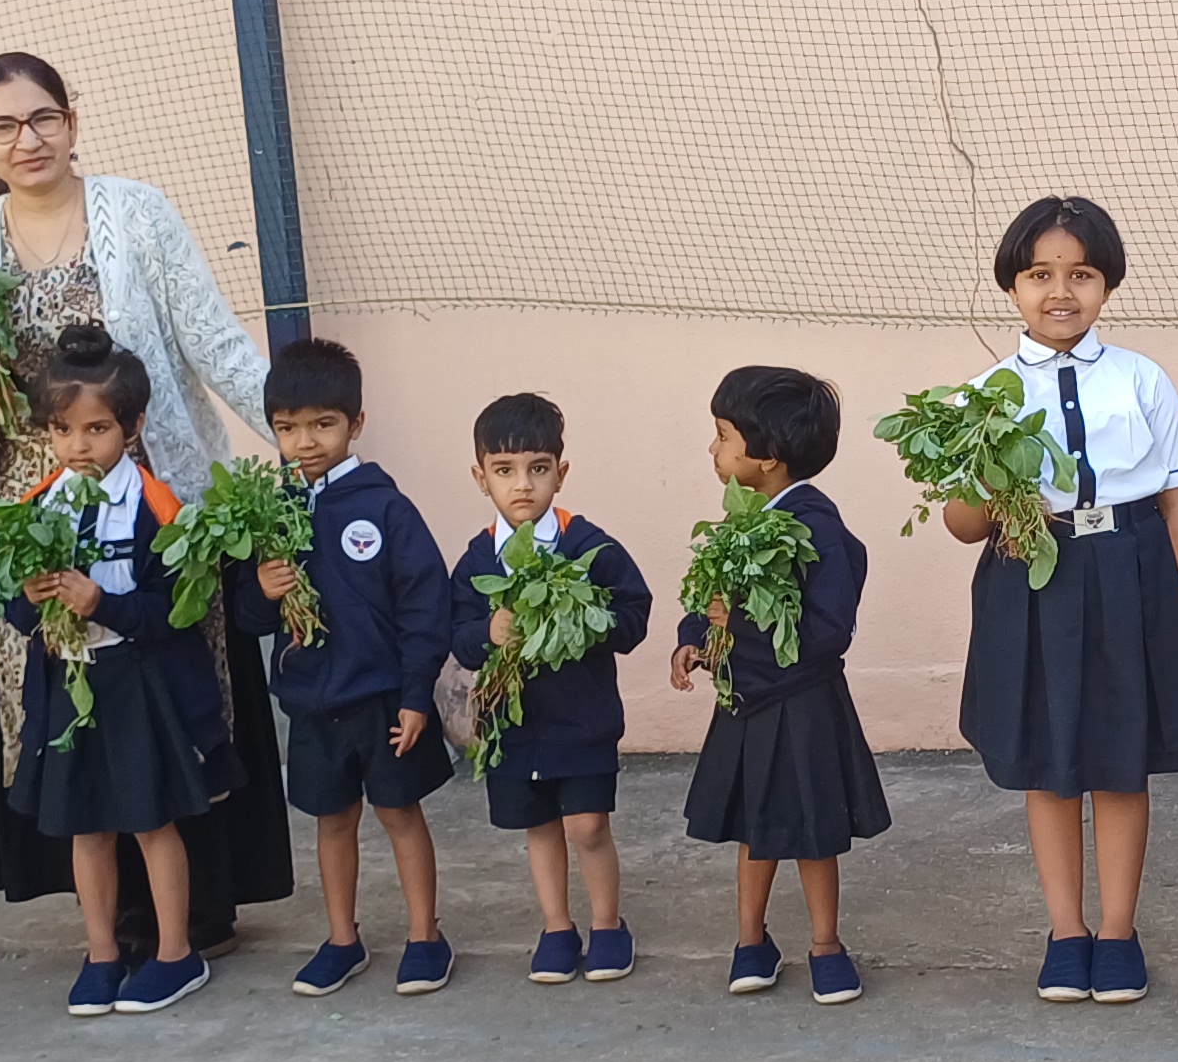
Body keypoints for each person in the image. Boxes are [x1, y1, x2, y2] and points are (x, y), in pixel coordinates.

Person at [0, 54, 290, 965]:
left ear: (74, 118)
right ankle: (111, 922)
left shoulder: (138, 212)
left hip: (153, 496)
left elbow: (210, 337)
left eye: (45, 117)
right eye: (5, 127)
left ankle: (193, 914)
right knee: (64, 699)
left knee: (170, 683)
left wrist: (291, 435)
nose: (30, 140)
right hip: (35, 509)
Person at [951, 196, 1178, 1007]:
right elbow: (963, 523)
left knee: (1120, 761)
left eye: (1081, 274)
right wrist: (996, 487)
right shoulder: (983, 395)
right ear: (1013, 287)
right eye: (1040, 275)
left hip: (1132, 574)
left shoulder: (1143, 378)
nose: (1060, 291)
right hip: (1031, 578)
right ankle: (1067, 932)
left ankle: (1119, 931)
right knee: (1050, 762)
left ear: (1107, 285)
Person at [5, 326, 225, 1017]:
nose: (79, 446)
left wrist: (106, 605)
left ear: (130, 427)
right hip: (69, 688)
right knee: (86, 828)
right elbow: (11, 604)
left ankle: (174, 954)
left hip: (136, 686)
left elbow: (177, 613)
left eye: (97, 428)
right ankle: (101, 952)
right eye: (63, 430)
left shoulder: (159, 507)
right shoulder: (35, 508)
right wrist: (31, 603)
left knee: (153, 822)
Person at [249, 337, 457, 998]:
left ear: (355, 424)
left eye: (322, 424)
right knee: (331, 820)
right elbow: (245, 619)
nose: (305, 441)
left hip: (384, 701)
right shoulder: (270, 513)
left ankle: (426, 936)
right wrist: (262, 590)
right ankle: (343, 939)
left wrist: (416, 694)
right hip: (313, 702)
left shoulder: (385, 508)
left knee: (400, 815)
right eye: (288, 428)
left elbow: (427, 607)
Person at [672, 368, 886, 1005]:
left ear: (766, 457)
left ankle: (826, 945)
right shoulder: (742, 518)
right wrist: (693, 636)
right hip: (746, 703)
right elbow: (710, 593)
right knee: (752, 825)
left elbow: (828, 627)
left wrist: (732, 626)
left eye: (723, 437)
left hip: (803, 703)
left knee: (814, 829)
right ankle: (750, 942)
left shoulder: (813, 523)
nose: (713, 450)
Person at [446, 393, 654, 985]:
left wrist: (590, 624)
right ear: (480, 477)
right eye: (504, 471)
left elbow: (633, 612)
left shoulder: (587, 545)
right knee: (539, 829)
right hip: (513, 730)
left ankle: (609, 927)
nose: (522, 486)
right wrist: (488, 630)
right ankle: (558, 928)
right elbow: (457, 634)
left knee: (587, 826)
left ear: (561, 473)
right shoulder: (476, 560)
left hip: (582, 721)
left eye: (538, 469)